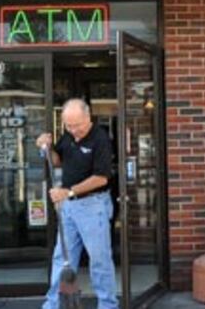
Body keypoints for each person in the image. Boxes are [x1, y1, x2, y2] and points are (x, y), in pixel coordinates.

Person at [36, 98, 118, 309]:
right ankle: (53, 304)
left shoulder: (100, 138)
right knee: (61, 259)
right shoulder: (69, 135)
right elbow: (57, 160)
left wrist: (68, 191)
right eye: (68, 125)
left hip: (93, 205)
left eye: (77, 125)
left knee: (99, 260)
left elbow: (101, 178)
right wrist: (46, 148)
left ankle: (108, 305)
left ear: (88, 117)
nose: (73, 130)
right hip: (69, 206)